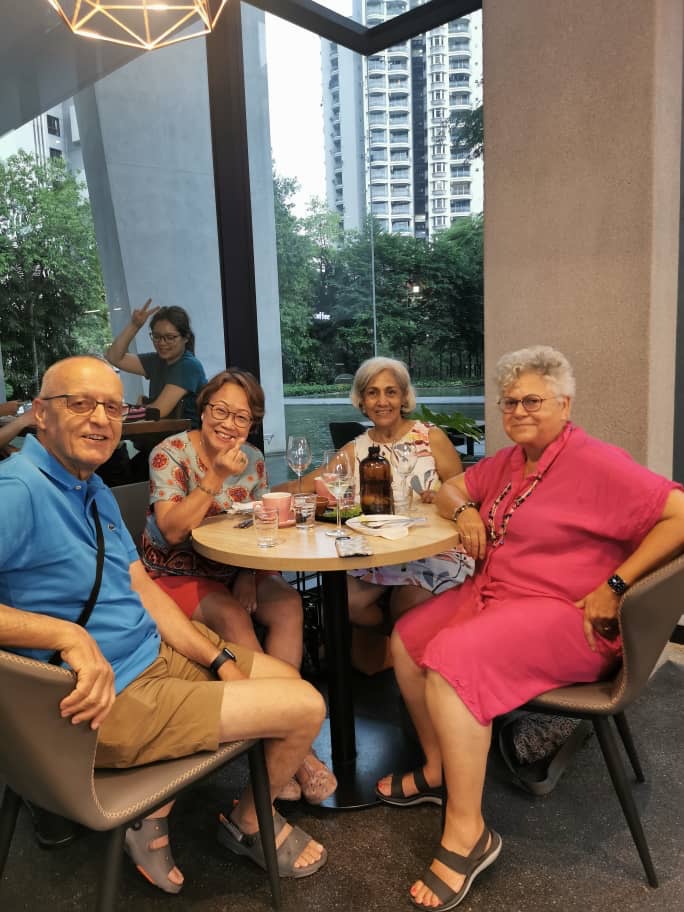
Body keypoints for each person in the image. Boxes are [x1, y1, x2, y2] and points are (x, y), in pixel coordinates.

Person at [0, 356, 328, 895]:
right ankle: (248, 824)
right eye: (80, 404)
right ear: (41, 413)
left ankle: (193, 811)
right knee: (306, 707)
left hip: (152, 654)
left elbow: (143, 589)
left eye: (112, 407)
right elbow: (168, 548)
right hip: (102, 700)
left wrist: (216, 658)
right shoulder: (18, 490)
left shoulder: (90, 486)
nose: (100, 419)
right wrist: (65, 635)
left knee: (288, 681)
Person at [375, 345, 684, 911]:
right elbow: (451, 489)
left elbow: (680, 516)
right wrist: (464, 510)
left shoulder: (595, 462)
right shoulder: (511, 461)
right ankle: (438, 767)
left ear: (565, 405)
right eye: (509, 401)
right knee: (406, 640)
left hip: (568, 614)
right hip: (497, 598)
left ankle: (468, 834)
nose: (517, 411)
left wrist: (615, 586)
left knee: (451, 663)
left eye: (532, 401)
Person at [142, 367, 337, 805]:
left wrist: (248, 574)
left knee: (287, 605)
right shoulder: (169, 453)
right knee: (233, 617)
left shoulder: (252, 458)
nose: (229, 424)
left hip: (233, 567)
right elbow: (171, 531)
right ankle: (294, 746)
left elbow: (255, 520)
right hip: (176, 571)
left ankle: (285, 730)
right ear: (203, 409)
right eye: (221, 411)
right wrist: (213, 477)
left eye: (242, 417)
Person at [278, 357, 474, 627]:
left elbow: (464, 491)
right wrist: (264, 494)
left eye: (390, 392)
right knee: (343, 604)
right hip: (377, 554)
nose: (382, 401)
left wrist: (442, 497)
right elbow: (306, 484)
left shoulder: (430, 437)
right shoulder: (354, 449)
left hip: (432, 551)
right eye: (373, 393)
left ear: (403, 397)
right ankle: (387, 644)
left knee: (407, 604)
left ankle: (398, 640)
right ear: (362, 400)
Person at [105, 298, 207, 428]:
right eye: (156, 337)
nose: (162, 343)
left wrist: (126, 411)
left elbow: (158, 411)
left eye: (170, 337)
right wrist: (135, 325)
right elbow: (114, 357)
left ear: (185, 337)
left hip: (187, 437)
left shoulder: (188, 366)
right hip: (160, 435)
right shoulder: (156, 360)